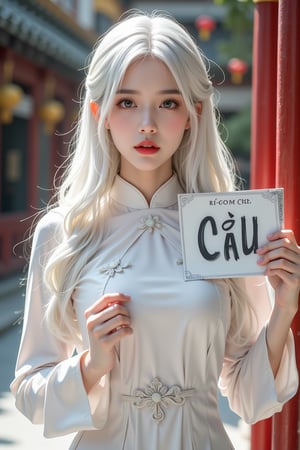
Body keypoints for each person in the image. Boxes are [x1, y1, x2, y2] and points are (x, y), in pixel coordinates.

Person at [11, 12, 300, 450]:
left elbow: (247, 395)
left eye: (168, 102)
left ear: (192, 114)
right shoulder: (65, 231)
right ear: (100, 114)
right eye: (127, 102)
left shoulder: (225, 225)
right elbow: (28, 393)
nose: (148, 123)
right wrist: (91, 365)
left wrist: (283, 310)